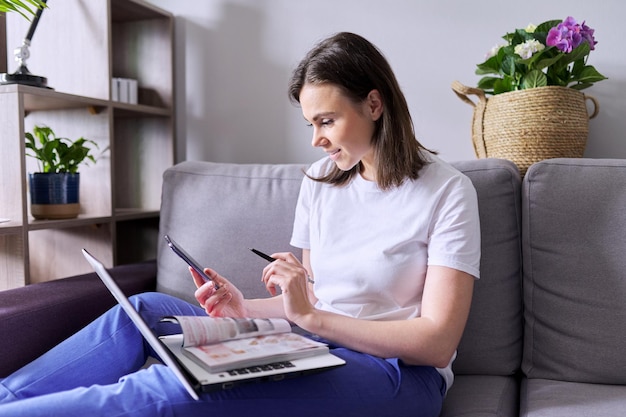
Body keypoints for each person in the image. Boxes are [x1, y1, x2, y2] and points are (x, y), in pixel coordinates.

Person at [0, 32, 480, 417]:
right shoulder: (321, 181)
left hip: (397, 375)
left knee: (172, 388)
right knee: (140, 311)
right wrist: (242, 305)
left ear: (374, 105)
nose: (316, 139)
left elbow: (436, 343)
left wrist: (310, 319)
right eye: (310, 123)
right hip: (312, 340)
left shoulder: (447, 192)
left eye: (327, 121)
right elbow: (309, 301)